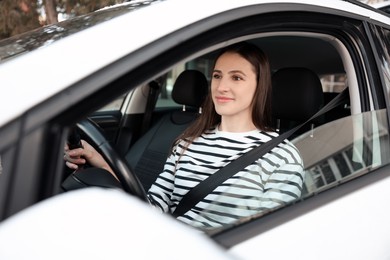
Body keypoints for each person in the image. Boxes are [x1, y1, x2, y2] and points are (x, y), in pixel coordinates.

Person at [64, 42, 304, 230]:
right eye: (218, 75)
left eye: (236, 77)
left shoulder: (282, 156)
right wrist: (102, 164)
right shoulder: (188, 142)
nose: (221, 87)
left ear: (260, 86)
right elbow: (152, 208)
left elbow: (269, 239)